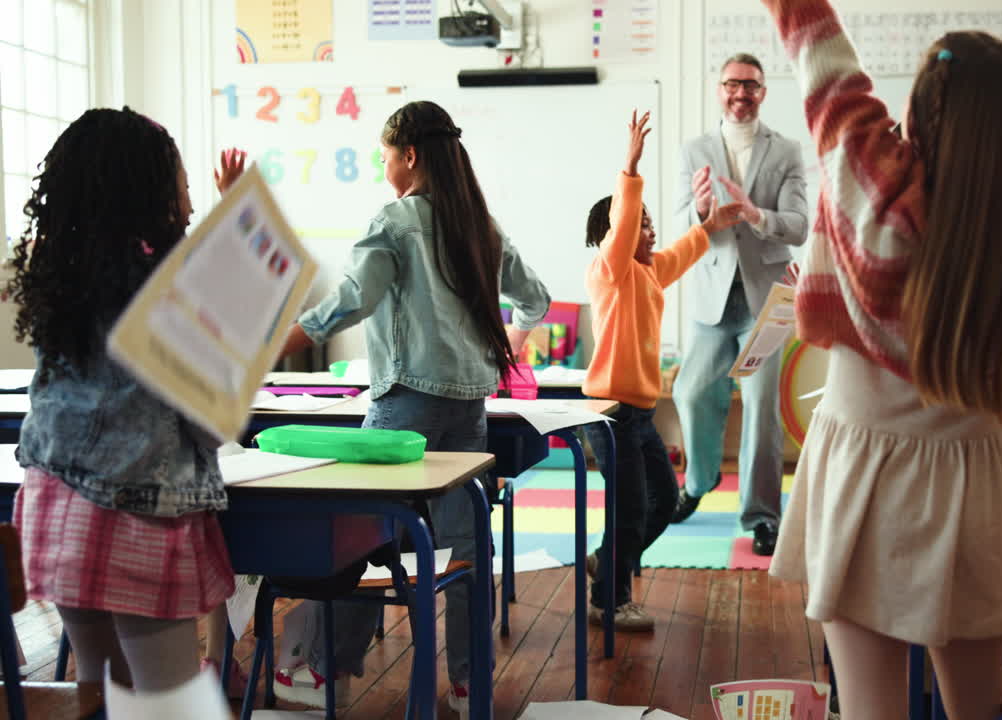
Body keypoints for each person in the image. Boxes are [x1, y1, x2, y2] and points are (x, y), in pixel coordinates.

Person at [759, 0, 1002, 718]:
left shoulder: (870, 196)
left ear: (921, 120)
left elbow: (819, 56)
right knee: (974, 706)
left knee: (871, 710)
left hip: (868, 472)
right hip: (983, 471)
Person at [272, 100, 550, 715]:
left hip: (404, 410)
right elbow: (536, 298)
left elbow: (352, 301)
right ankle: (467, 681)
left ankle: (325, 672)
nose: (384, 168)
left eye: (385, 157)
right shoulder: (482, 226)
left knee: (359, 539)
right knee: (465, 546)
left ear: (410, 156)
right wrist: (515, 343)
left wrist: (280, 338)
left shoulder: (395, 223)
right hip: (467, 409)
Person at [6, 108, 243, 692]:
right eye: (185, 191)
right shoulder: (176, 291)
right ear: (156, 200)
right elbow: (212, 424)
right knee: (169, 699)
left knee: (99, 688)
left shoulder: (62, 279)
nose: (190, 206)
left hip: (54, 503)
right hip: (141, 515)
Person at [580, 110, 744, 631]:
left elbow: (685, 249)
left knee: (664, 502)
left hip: (642, 414)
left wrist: (713, 223)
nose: (648, 229)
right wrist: (629, 166)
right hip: (611, 414)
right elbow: (622, 227)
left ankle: (607, 562)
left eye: (651, 221)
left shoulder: (649, 274)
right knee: (628, 511)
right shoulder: (610, 271)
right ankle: (610, 599)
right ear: (616, 237)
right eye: (640, 223)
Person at [671, 52, 808, 556]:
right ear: (719, 89)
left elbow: (798, 225)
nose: (740, 94)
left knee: (760, 409)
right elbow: (682, 220)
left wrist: (755, 214)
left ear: (763, 92)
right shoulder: (695, 149)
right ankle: (698, 482)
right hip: (711, 294)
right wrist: (703, 208)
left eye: (750, 86)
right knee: (690, 391)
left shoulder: (787, 150)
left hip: (766, 297)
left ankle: (761, 515)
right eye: (732, 84)